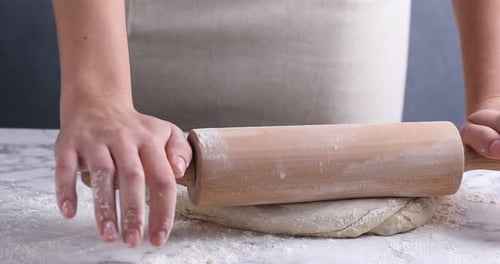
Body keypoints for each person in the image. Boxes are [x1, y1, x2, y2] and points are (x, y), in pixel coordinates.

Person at [51, 0, 500, 248]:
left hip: (340, 29)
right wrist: (100, 93)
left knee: (361, 175)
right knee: (150, 171)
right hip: (141, 24)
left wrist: (494, 98)